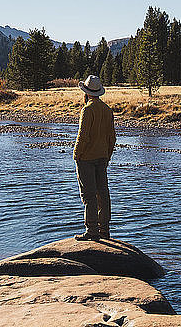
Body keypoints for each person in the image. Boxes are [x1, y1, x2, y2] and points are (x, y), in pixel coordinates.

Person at [73, 75, 116, 241]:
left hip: (86, 159)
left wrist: (76, 154)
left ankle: (92, 231)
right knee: (103, 195)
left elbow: (82, 136)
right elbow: (112, 138)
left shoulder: (87, 109)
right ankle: (104, 230)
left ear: (86, 93)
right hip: (102, 158)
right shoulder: (107, 110)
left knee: (89, 195)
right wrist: (107, 156)